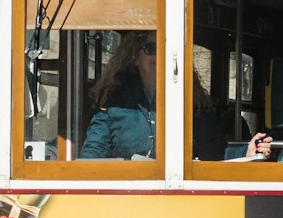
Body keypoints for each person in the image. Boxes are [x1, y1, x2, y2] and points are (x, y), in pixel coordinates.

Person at [80, 31, 273, 160]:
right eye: (151, 49)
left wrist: (247, 152)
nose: (160, 56)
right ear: (134, 57)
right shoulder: (114, 102)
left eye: (168, 48)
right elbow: (92, 153)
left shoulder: (193, 105)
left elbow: (216, 154)